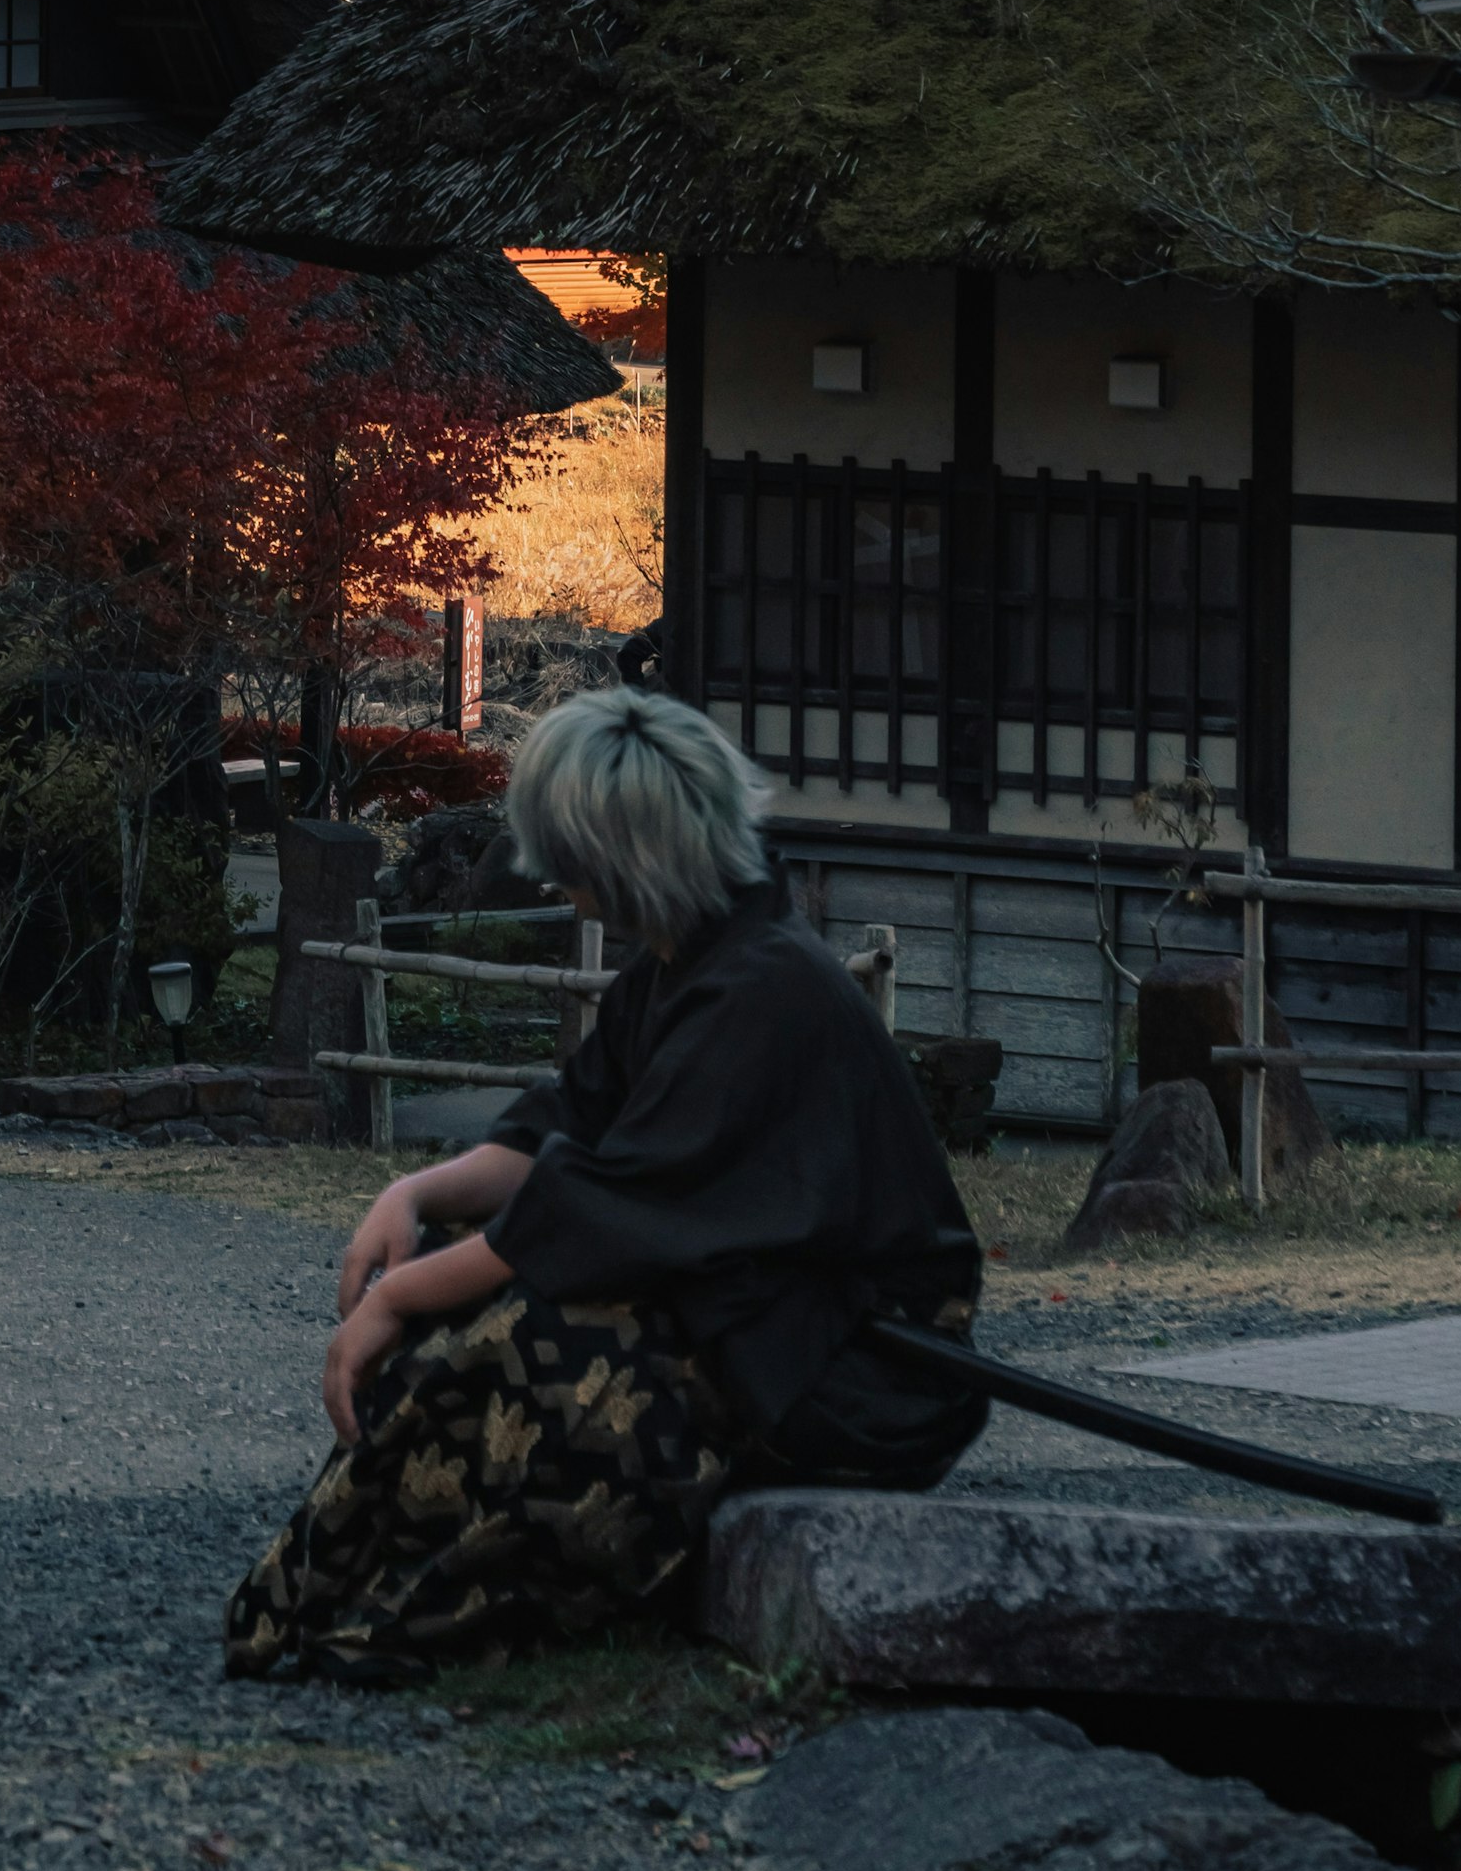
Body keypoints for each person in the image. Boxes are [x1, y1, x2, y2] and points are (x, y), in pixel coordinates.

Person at [226, 682, 982, 1686]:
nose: (558, 888)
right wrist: (411, 1198)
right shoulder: (689, 968)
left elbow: (606, 1208)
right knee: (486, 1331)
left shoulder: (765, 989)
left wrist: (398, 1295)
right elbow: (564, 1129)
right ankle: (328, 1605)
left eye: (571, 865)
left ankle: (406, 1615)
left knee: (540, 1346)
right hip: (769, 1319)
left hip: (859, 1369)